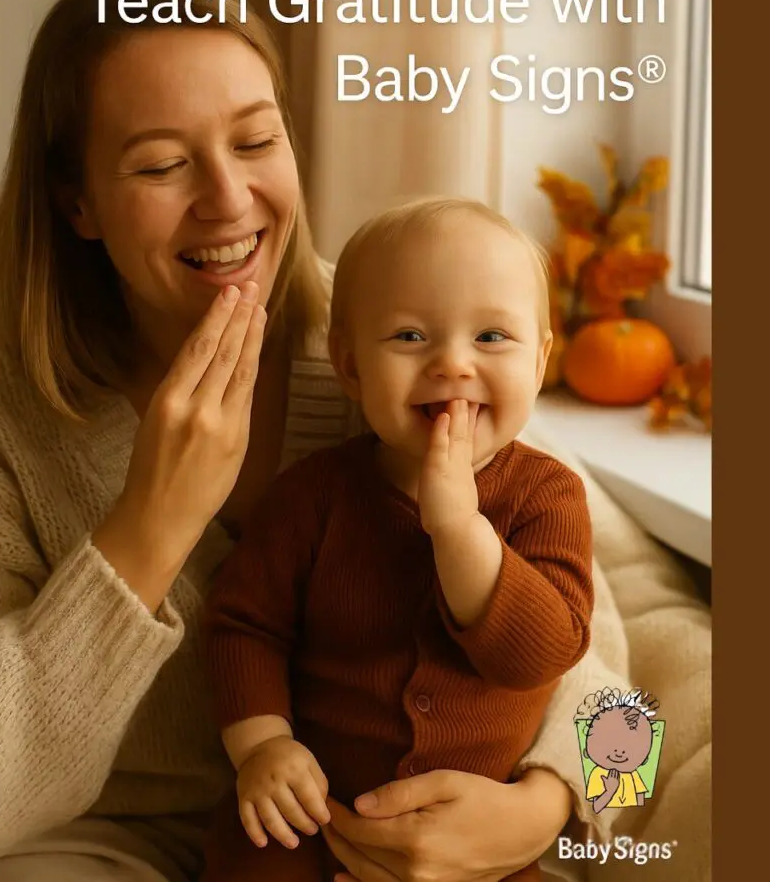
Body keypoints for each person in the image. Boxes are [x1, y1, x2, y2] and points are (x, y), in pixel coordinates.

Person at [0, 0, 705, 882]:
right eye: (163, 163)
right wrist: (147, 532)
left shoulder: (409, 342)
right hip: (124, 839)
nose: (227, 198)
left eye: (256, 140)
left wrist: (548, 806)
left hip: (437, 836)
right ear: (76, 200)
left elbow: (617, 688)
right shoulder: (3, 418)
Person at [200, 198, 596, 882]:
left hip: (484, 848)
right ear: (349, 367)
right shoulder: (312, 494)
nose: (453, 364)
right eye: (410, 337)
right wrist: (264, 747)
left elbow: (549, 652)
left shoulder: (549, 496)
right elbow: (243, 626)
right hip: (317, 819)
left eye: (493, 337)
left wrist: (460, 532)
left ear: (540, 362)